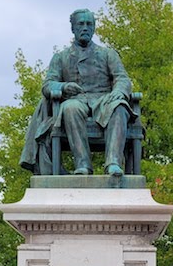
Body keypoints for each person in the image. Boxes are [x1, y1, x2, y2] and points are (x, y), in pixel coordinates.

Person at [19, 9, 132, 176]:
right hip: (77, 100)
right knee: (70, 108)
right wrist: (63, 87)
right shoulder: (61, 57)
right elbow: (48, 84)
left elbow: (122, 78)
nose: (85, 28)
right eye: (81, 24)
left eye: (89, 24)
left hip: (104, 100)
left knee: (119, 106)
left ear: (94, 28)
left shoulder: (108, 54)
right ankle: (83, 165)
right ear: (73, 28)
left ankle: (113, 163)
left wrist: (119, 91)